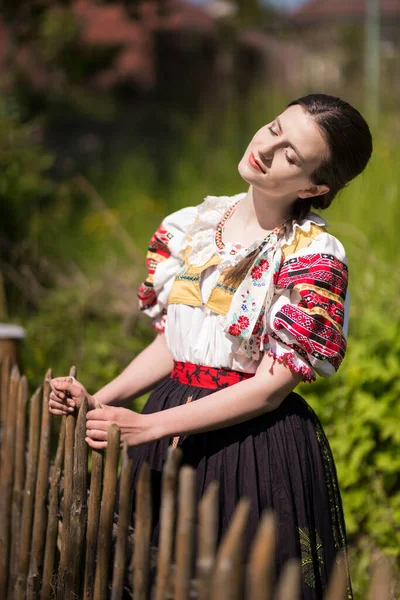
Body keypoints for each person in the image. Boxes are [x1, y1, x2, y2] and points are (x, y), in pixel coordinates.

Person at [49, 94, 372, 599]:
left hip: (248, 445)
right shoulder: (194, 225)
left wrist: (150, 425)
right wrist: (103, 399)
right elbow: (175, 345)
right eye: (273, 128)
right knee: (154, 577)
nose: (267, 148)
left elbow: (270, 388)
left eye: (291, 154)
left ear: (315, 186)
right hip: (166, 427)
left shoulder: (313, 254)